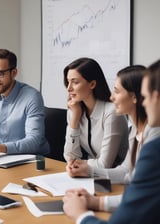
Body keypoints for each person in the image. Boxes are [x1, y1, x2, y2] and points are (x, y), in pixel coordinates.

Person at [62, 59, 160, 223]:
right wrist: (95, 200)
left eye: (145, 96)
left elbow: (128, 180)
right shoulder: (135, 129)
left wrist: (81, 215)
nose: (112, 97)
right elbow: (128, 174)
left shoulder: (154, 144)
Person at [63, 57, 129, 169]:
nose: (69, 88)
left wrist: (78, 164)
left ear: (92, 84)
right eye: (68, 82)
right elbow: (70, 157)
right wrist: (74, 120)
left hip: (118, 176)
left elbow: (105, 164)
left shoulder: (112, 112)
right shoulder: (75, 110)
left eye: (75, 82)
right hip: (92, 173)